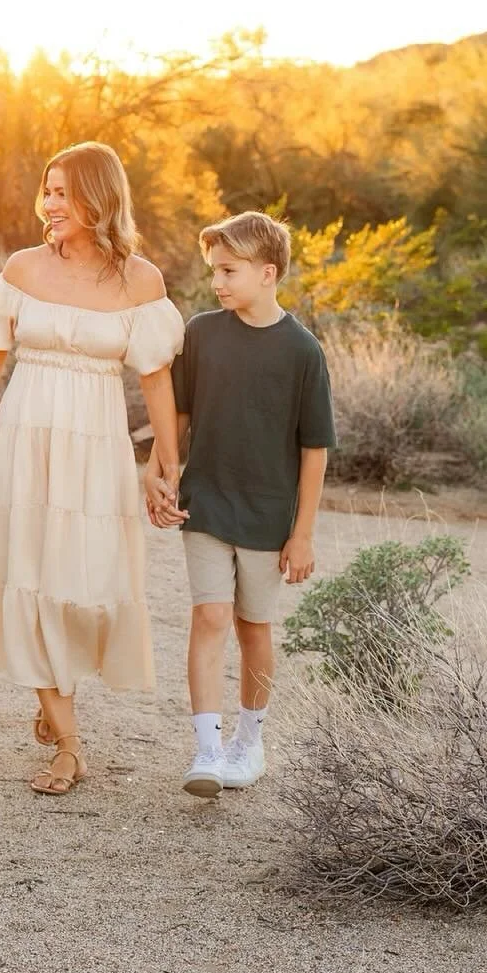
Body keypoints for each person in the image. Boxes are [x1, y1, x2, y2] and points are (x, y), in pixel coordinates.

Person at [0, 143, 184, 795]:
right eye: (45, 191)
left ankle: (53, 695)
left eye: (62, 193)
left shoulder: (142, 282)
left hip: (98, 446)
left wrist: (167, 461)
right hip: (26, 435)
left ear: (98, 200)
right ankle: (70, 745)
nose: (48, 204)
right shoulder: (22, 269)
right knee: (31, 576)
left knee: (84, 583)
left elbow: (157, 380)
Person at [168, 210, 336, 798]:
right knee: (210, 616)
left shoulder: (302, 352)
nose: (217, 281)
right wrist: (161, 473)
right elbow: (179, 418)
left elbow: (314, 451)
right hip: (206, 503)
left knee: (253, 626)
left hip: (269, 514)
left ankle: (249, 741)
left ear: (268, 273)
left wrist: (304, 533)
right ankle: (207, 750)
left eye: (229, 270)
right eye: (214, 269)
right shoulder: (202, 333)